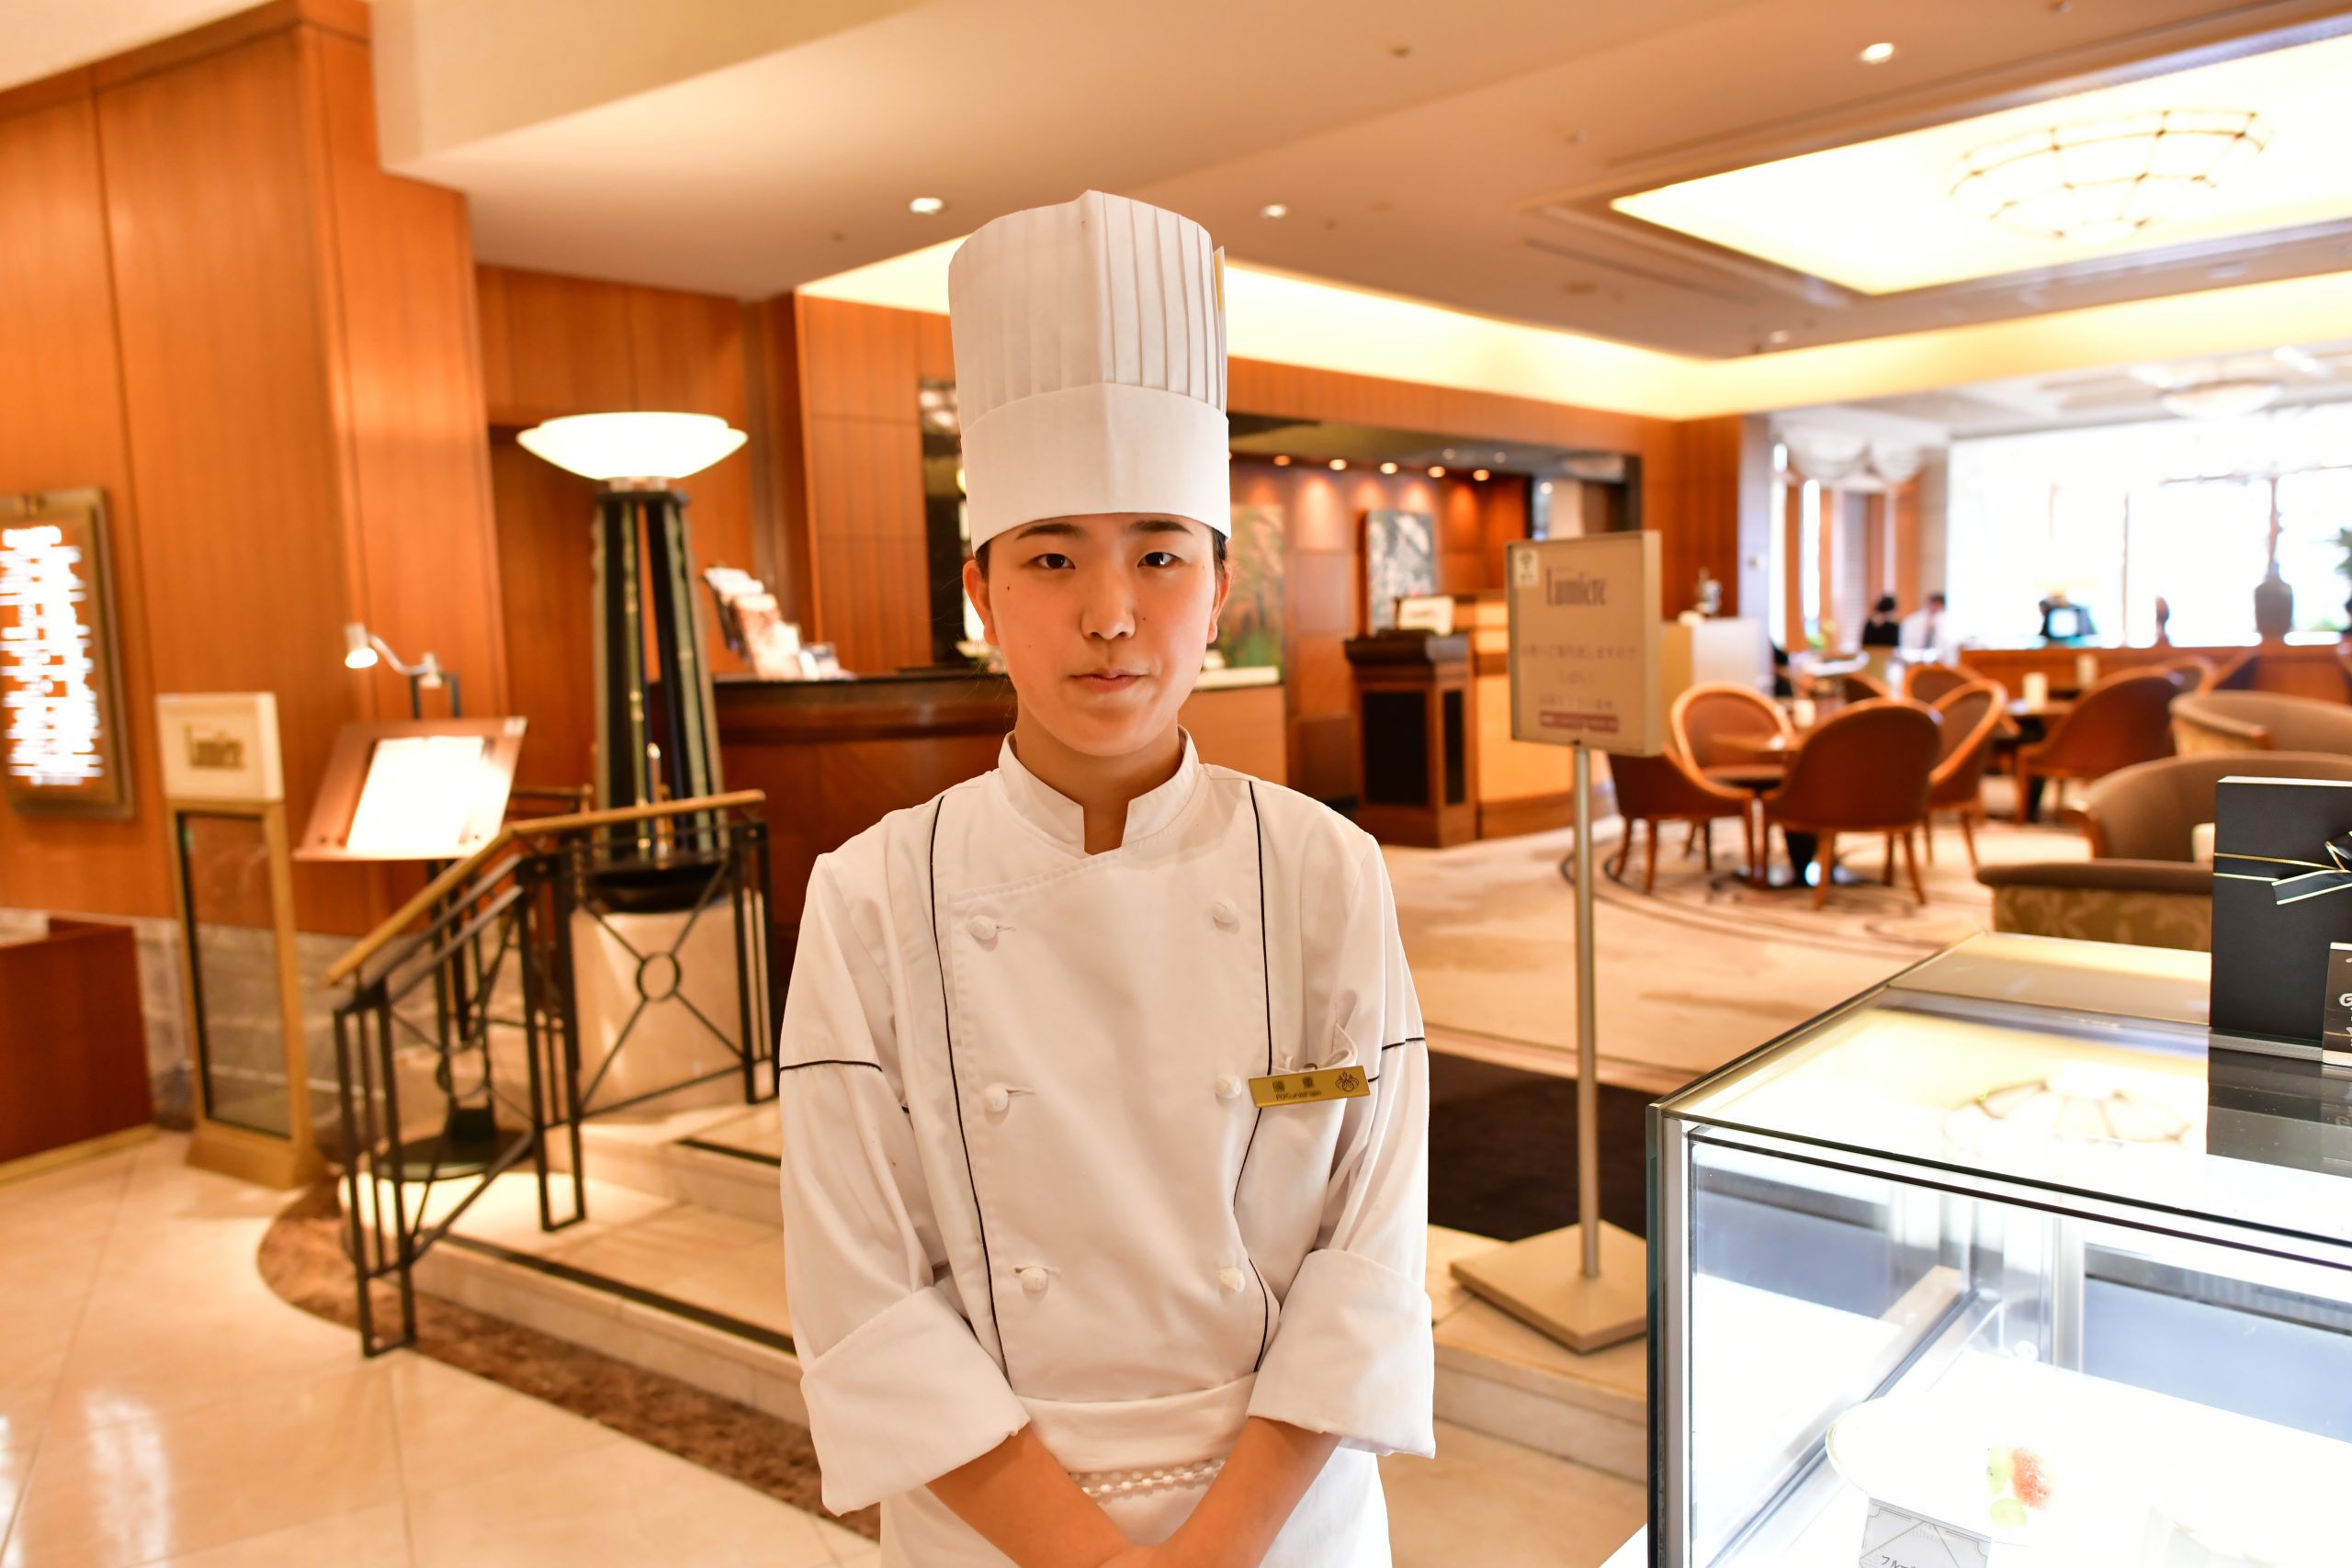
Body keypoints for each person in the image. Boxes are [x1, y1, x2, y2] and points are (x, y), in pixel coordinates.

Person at [777, 191, 1433, 1567]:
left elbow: (1365, 1248)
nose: (1110, 613)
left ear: (1219, 586)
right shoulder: (870, 895)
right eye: (1052, 555)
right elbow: (862, 1287)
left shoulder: (1326, 869)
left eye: (1158, 554)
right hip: (990, 1522)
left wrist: (1216, 1545)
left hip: (1284, 1522)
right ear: (982, 593)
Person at [1899, 592, 1956, 664]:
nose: (1933, 610)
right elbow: (1906, 648)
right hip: (1913, 663)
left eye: (1937, 608)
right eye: (1931, 606)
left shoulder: (1947, 624)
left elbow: (1949, 652)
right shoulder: (1911, 621)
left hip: (1939, 664)